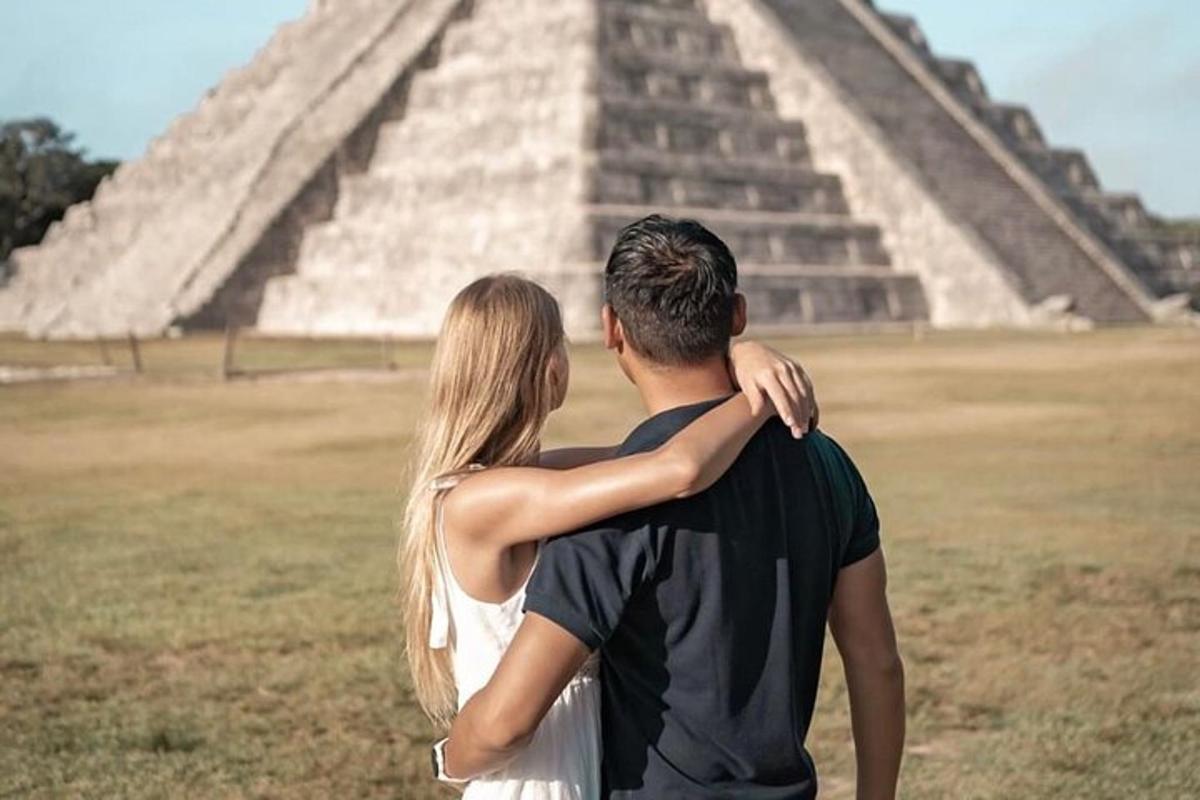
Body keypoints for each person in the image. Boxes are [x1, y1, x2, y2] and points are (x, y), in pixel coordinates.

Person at [440, 216, 906, 799]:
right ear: (737, 314)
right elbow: (876, 661)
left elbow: (509, 717)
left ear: (613, 329)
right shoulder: (828, 464)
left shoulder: (607, 501)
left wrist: (449, 758)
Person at [400, 271, 819, 799]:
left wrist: (739, 357)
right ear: (547, 366)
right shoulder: (482, 502)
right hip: (539, 776)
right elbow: (679, 469)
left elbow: (649, 454)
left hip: (572, 758)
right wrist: (760, 395)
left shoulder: (518, 479)